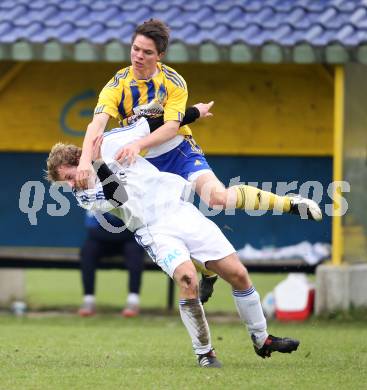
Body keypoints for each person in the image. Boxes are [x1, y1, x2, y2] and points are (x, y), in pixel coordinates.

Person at [75, 18, 322, 302]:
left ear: (160, 56)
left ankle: (291, 204)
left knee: (217, 198)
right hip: (145, 167)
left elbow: (170, 126)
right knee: (164, 228)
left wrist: (137, 144)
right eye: (135, 49)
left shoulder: (173, 82)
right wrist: (84, 161)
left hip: (178, 151)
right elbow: (96, 125)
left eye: (147, 52)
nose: (139, 56)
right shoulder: (117, 84)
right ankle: (207, 272)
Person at [46, 119, 301, 368]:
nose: (70, 184)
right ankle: (205, 353)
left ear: (76, 161)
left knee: (238, 274)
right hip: (153, 229)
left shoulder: (113, 140)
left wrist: (193, 113)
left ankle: (262, 339)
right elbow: (119, 195)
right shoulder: (84, 194)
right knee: (188, 280)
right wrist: (99, 162)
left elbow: (159, 121)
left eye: (68, 177)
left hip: (180, 210)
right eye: (65, 183)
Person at [79, 211, 145, 318]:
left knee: (135, 249)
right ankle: (88, 300)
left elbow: (136, 229)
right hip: (104, 241)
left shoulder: (132, 198)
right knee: (88, 250)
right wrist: (119, 234)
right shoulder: (95, 198)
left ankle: (133, 301)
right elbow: (92, 231)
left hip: (127, 241)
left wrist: (121, 234)